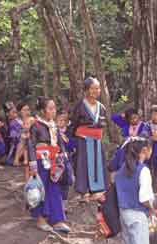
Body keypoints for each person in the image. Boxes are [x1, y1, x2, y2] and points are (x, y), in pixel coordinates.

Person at [115, 138, 154, 244]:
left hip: (124, 212)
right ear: (145, 150)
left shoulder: (123, 168)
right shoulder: (143, 170)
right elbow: (145, 197)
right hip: (138, 214)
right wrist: (152, 207)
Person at [28, 97, 71, 233]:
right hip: (41, 162)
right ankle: (41, 219)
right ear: (42, 110)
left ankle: (57, 220)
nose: (54, 111)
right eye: (50, 108)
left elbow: (60, 142)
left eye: (54, 108)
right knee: (42, 189)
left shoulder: (53, 125)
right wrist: (33, 164)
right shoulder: (36, 125)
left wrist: (64, 155)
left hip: (54, 161)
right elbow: (31, 145)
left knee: (54, 189)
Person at [70, 77, 109, 201]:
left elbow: (104, 123)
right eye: (93, 88)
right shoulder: (80, 106)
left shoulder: (101, 107)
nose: (96, 91)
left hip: (97, 139)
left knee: (97, 163)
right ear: (86, 90)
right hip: (83, 139)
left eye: (97, 88)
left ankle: (97, 189)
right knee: (83, 163)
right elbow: (74, 123)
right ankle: (84, 190)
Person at [109, 108, 149, 173]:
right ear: (128, 120)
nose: (134, 120)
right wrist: (122, 116)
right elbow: (113, 117)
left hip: (139, 146)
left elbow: (145, 136)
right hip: (127, 146)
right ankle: (118, 167)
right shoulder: (126, 125)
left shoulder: (144, 125)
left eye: (135, 117)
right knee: (121, 151)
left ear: (138, 116)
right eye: (131, 119)